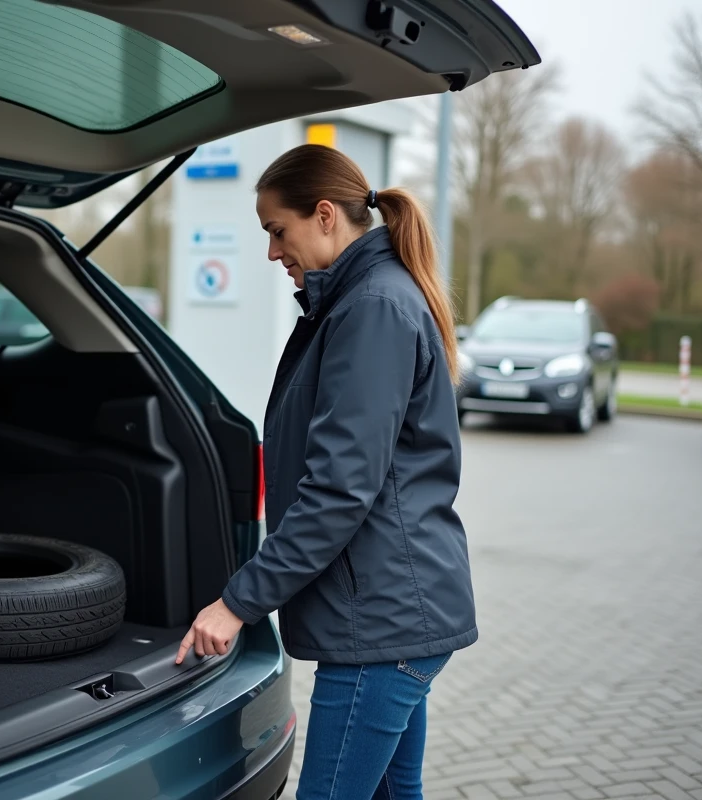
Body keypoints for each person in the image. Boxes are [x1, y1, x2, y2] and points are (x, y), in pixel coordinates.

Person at [174, 144, 475, 800]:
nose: (273, 253)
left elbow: (339, 490)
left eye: (277, 232)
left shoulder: (371, 309)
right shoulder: (359, 301)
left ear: (325, 215)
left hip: (381, 625)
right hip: (392, 618)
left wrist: (237, 603)